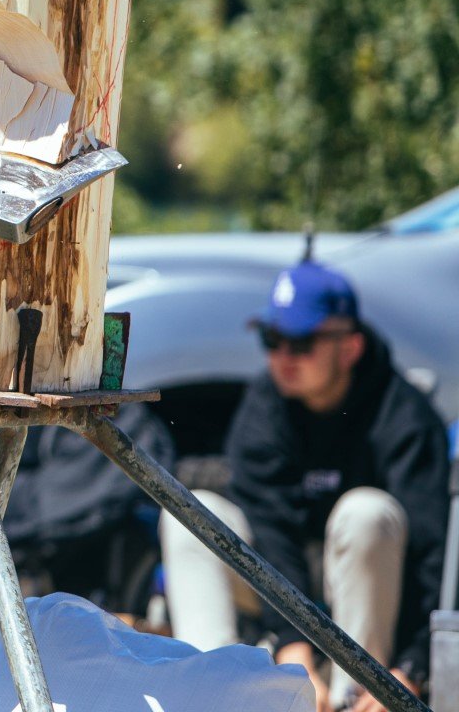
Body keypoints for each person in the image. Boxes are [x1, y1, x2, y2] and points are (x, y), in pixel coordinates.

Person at [159, 259, 448, 712]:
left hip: (371, 603)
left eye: (301, 342)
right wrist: (296, 647)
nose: (282, 358)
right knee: (191, 513)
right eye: (271, 340)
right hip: (286, 584)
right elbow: (270, 533)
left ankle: (355, 694)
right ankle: (212, 693)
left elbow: (432, 556)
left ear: (350, 347)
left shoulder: (404, 417)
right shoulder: (263, 408)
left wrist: (411, 668)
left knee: (365, 511)